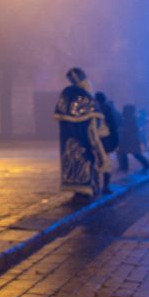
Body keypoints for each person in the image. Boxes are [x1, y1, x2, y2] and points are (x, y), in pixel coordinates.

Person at [54, 68, 107, 199]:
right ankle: (87, 189)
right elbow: (93, 114)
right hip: (83, 134)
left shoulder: (67, 93)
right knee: (85, 159)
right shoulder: (82, 93)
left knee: (74, 160)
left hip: (69, 136)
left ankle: (81, 191)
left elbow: (62, 113)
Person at [93, 92, 121, 192]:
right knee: (106, 163)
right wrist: (116, 141)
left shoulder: (91, 109)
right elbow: (113, 125)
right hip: (104, 139)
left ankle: (95, 187)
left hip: (93, 139)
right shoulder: (107, 108)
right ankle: (105, 186)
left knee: (95, 163)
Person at [116, 103, 149, 174]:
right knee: (127, 153)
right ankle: (125, 167)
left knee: (132, 153)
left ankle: (146, 164)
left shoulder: (130, 119)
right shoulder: (131, 118)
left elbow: (130, 129)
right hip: (130, 139)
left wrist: (121, 129)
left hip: (130, 139)